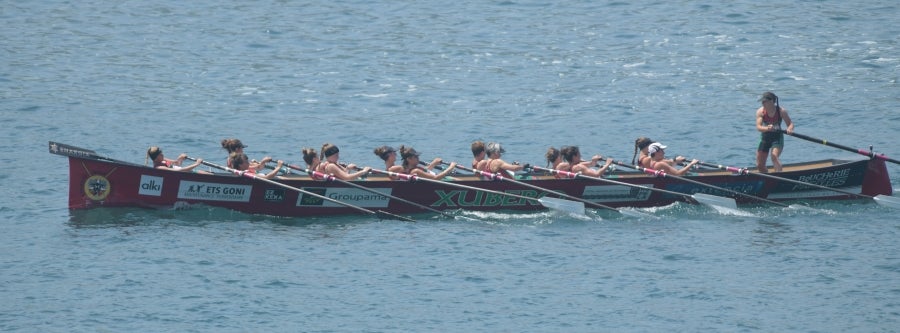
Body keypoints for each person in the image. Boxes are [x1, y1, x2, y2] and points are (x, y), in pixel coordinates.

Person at [755, 91, 795, 173]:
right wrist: (767, 128)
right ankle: (768, 180)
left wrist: (790, 129)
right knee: (760, 165)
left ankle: (779, 176)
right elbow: (758, 127)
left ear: (772, 101)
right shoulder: (760, 112)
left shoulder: (781, 111)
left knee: (774, 157)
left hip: (777, 138)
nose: (762, 103)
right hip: (765, 137)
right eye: (762, 102)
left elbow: (790, 124)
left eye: (764, 101)